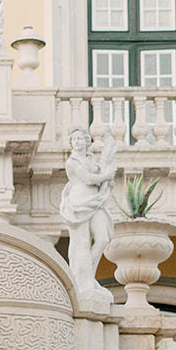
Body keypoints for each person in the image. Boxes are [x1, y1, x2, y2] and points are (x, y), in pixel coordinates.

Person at [59, 125, 117, 303]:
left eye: (80, 138)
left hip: (95, 201)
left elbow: (98, 177)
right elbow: (88, 179)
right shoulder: (72, 162)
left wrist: (107, 179)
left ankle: (87, 276)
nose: (77, 142)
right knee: (81, 243)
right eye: (74, 139)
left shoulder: (91, 159)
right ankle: (83, 283)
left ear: (86, 141)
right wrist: (106, 176)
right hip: (78, 203)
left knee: (103, 238)